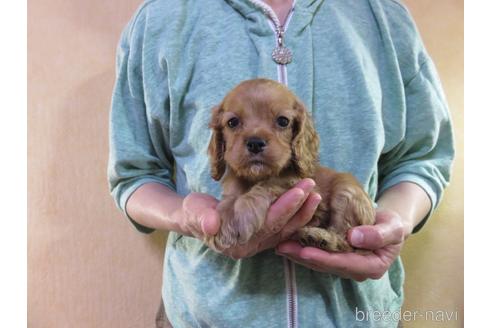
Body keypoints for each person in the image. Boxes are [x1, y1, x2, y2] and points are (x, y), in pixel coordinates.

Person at [108, 0, 454, 327]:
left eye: (282, 123)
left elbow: (423, 156)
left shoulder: (382, 16)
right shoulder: (162, 19)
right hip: (204, 316)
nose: (256, 137)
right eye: (234, 124)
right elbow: (134, 175)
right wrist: (186, 216)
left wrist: (395, 222)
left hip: (357, 315)